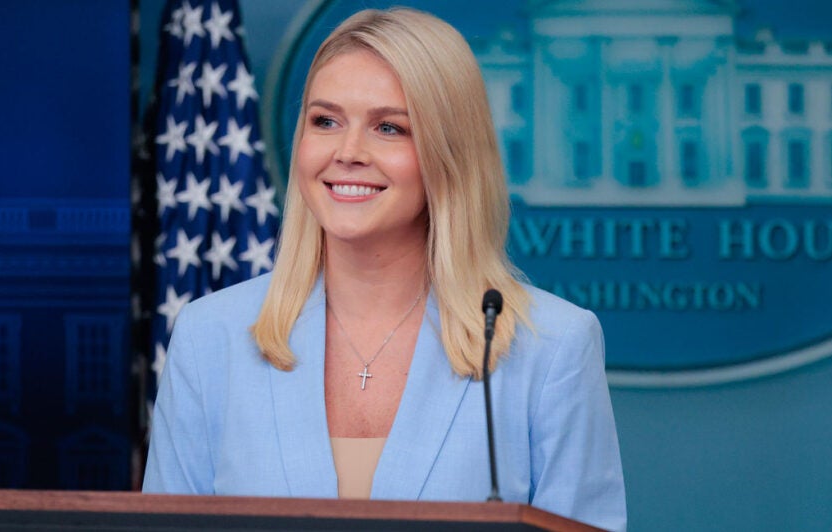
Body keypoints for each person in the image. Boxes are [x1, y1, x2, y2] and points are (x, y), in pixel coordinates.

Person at [143, 7, 626, 531]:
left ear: (450, 153)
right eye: (325, 121)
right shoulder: (208, 336)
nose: (348, 152)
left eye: (389, 128)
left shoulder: (552, 347)